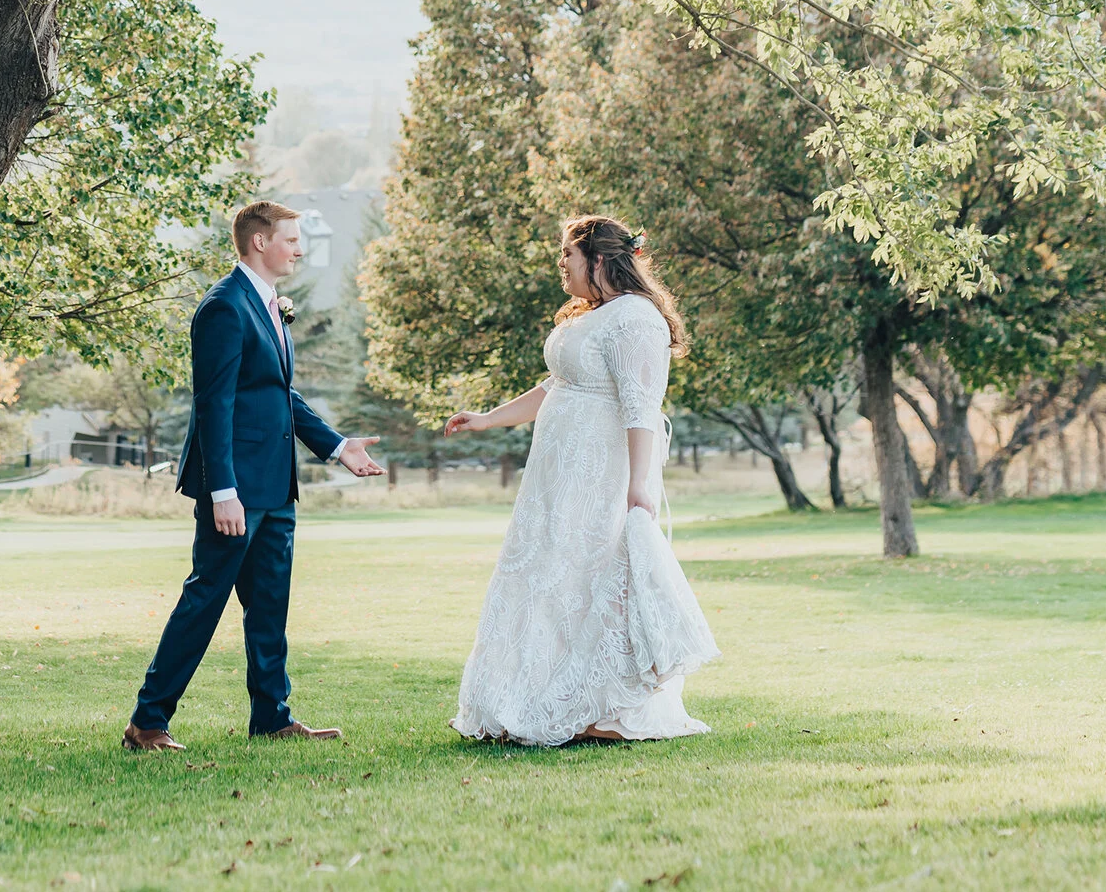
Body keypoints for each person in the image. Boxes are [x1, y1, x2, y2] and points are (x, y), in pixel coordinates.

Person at [443, 213, 718, 744]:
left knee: (590, 581)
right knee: (549, 578)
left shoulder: (636, 319)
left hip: (600, 475)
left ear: (598, 259)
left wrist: (641, 489)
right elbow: (555, 387)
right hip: (556, 474)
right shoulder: (592, 316)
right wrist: (488, 417)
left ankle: (602, 708)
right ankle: (534, 700)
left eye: (566, 256)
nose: (560, 267)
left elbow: (641, 408)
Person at [123, 201, 385, 751]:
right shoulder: (224, 307)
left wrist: (337, 446)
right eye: (291, 239)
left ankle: (272, 716)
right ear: (260, 243)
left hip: (276, 487)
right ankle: (147, 722)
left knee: (269, 606)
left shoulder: (267, 304)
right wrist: (223, 491)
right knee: (205, 601)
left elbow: (277, 393)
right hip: (236, 490)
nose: (299, 248)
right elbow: (213, 404)